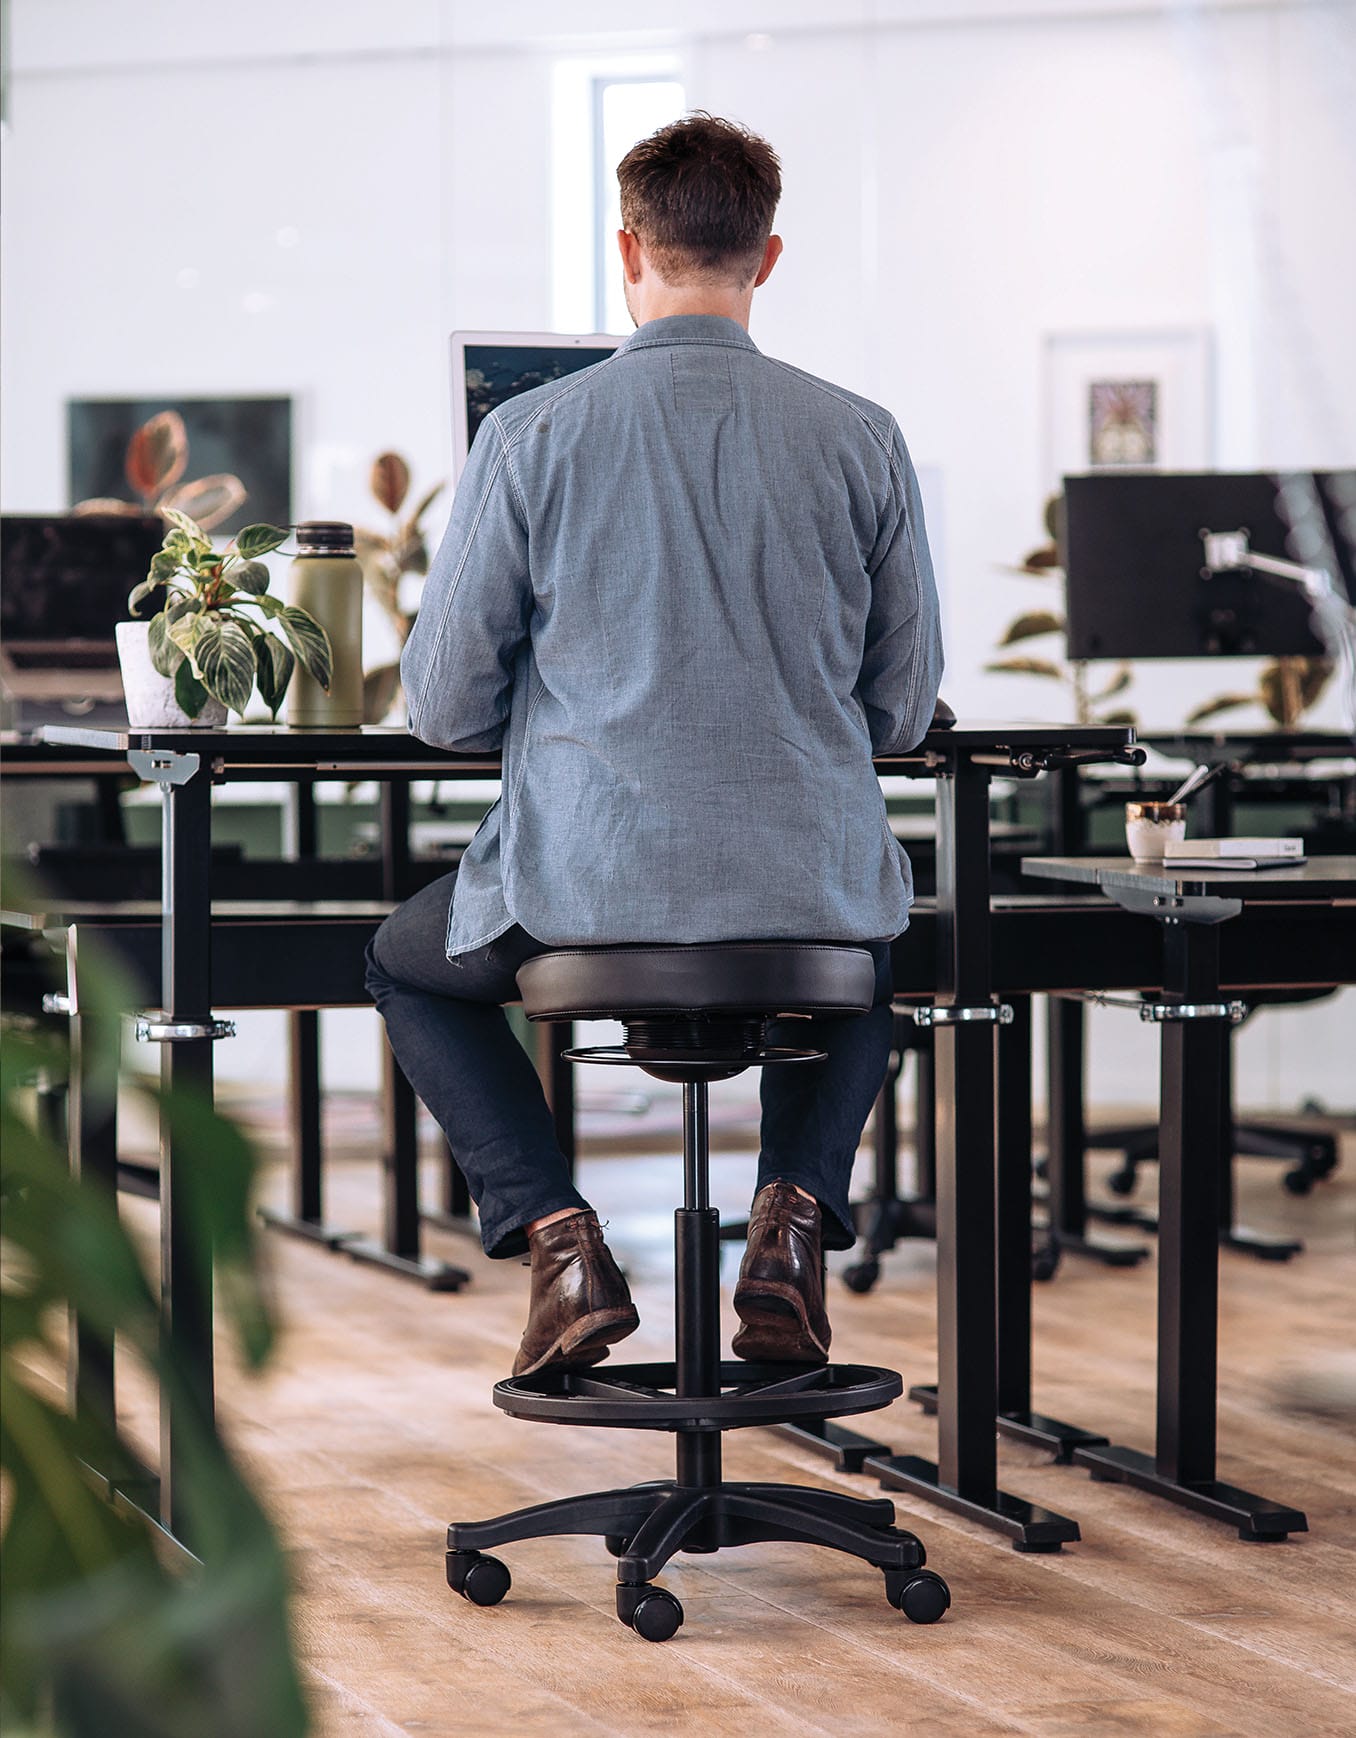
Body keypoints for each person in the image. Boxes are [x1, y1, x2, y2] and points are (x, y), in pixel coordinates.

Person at [366, 112, 943, 1379]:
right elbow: (901, 713)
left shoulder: (528, 437)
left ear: (628, 246)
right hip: (804, 894)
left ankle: (558, 1241)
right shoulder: (863, 437)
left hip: (583, 900)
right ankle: (791, 1231)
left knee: (407, 966)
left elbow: (445, 709)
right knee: (873, 930)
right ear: (768, 257)